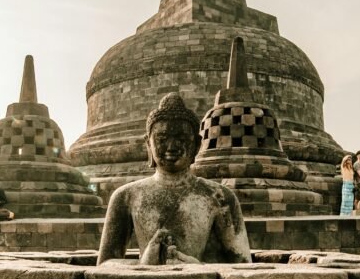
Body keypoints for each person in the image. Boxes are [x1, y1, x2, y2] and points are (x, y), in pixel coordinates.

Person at [97, 92, 251, 264]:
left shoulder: (220, 197)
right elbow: (104, 265)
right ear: (148, 143)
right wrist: (144, 264)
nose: (171, 147)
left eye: (181, 138)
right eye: (162, 139)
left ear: (197, 145)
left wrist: (196, 267)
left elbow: (243, 266)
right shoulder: (126, 196)